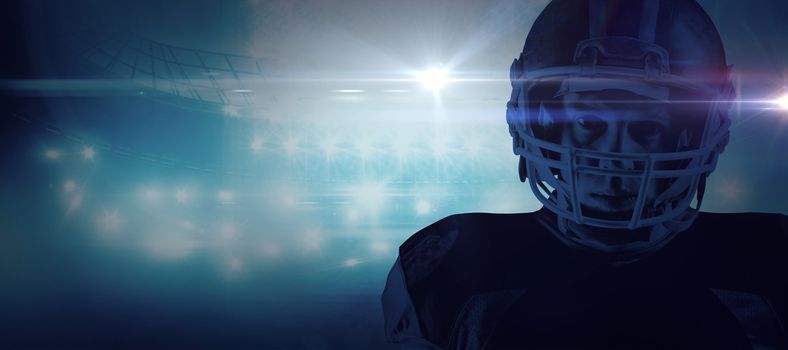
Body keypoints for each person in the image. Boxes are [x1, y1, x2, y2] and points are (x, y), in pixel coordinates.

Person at [381, 0, 788, 348]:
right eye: (589, 121)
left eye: (646, 127)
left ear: (695, 131)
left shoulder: (770, 265)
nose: (614, 154)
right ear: (542, 121)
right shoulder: (453, 267)